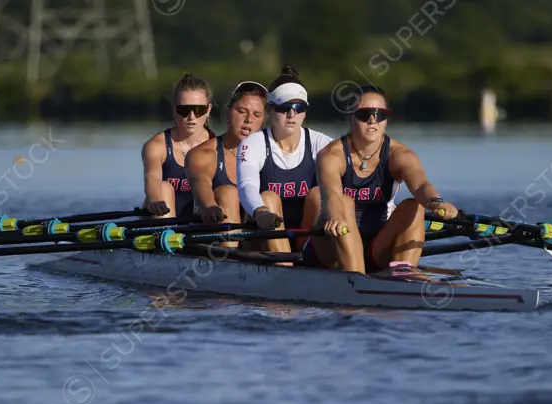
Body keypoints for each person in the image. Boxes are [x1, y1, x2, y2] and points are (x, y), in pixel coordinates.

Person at [304, 86, 459, 274]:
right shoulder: (331, 155)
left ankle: (405, 275)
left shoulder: (400, 154)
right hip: (331, 244)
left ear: (386, 120)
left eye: (379, 114)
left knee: (414, 205)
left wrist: (436, 203)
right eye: (364, 113)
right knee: (344, 201)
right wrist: (335, 217)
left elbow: (421, 185)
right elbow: (332, 195)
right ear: (350, 117)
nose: (372, 120)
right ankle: (356, 279)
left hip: (376, 247)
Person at [237, 65, 333, 255]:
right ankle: (285, 265)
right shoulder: (253, 143)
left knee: (318, 194)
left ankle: (310, 259)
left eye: (299, 108)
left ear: (305, 111)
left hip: (306, 235)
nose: (292, 115)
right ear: (270, 110)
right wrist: (260, 211)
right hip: (263, 236)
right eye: (284, 108)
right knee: (268, 198)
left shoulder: (321, 143)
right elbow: (246, 184)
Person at [185, 81, 268, 247]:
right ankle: (230, 261)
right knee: (228, 193)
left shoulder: (273, 153)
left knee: (269, 198)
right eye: (242, 111)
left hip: (254, 240)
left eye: (257, 115)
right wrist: (208, 206)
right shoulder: (203, 154)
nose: (249, 120)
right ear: (227, 112)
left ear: (263, 120)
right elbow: (201, 183)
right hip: (213, 239)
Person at [141, 73, 215, 218]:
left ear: (208, 110)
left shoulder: (218, 146)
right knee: (164, 188)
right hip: (161, 217)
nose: (192, 116)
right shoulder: (157, 145)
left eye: (199, 109)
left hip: (200, 223)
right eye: (184, 110)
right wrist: (155, 200)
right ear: (174, 109)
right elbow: (152, 176)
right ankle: (165, 235)